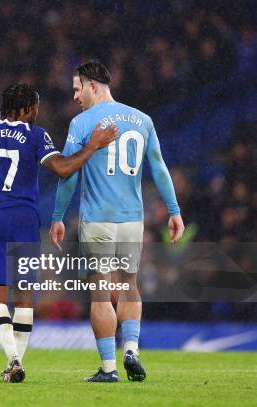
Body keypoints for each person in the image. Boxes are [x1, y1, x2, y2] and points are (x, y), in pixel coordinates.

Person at [0, 83, 118, 383]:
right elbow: (63, 169)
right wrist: (93, 146)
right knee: (24, 298)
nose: (38, 112)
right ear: (28, 108)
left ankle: (12, 360)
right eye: (36, 107)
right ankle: (16, 360)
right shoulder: (37, 135)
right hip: (26, 220)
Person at [50, 61, 185, 382]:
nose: (74, 95)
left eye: (77, 88)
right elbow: (160, 167)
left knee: (100, 292)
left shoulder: (82, 122)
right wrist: (174, 210)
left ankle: (109, 367)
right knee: (128, 286)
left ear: (92, 86)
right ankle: (132, 350)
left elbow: (68, 175)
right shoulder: (142, 120)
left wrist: (57, 216)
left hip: (98, 218)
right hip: (132, 220)